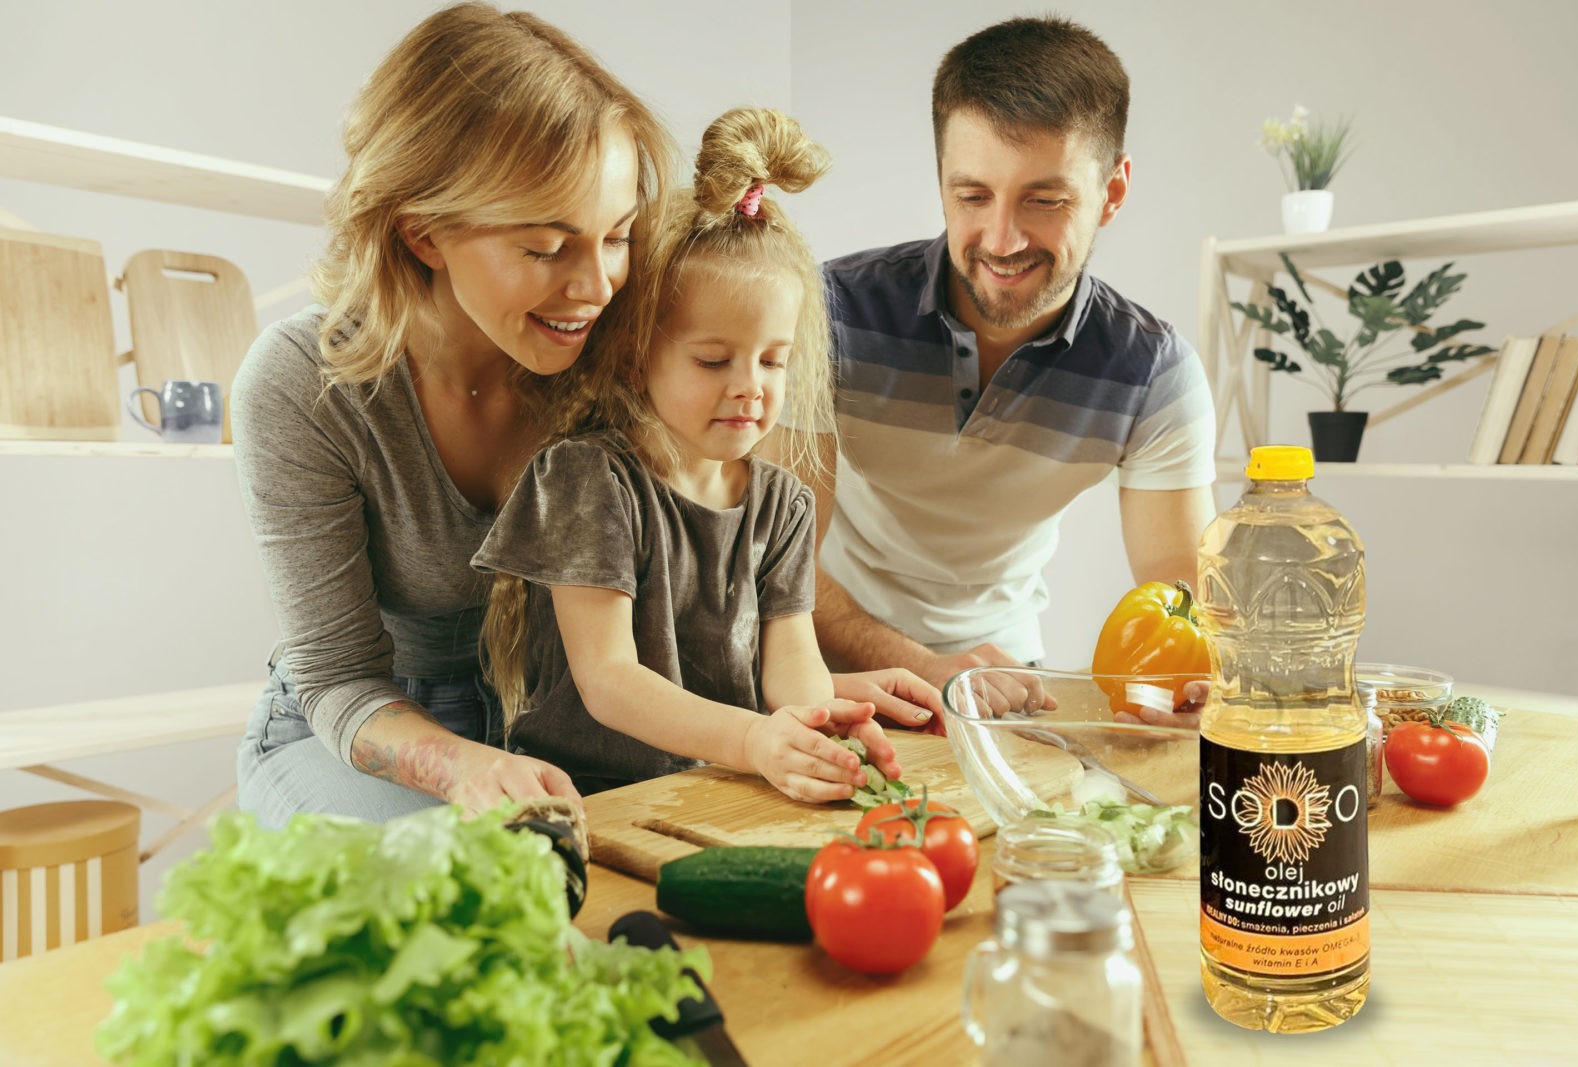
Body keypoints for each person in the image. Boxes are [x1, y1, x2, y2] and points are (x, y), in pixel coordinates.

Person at [232, 4, 933, 828]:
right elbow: (336, 677)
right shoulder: (302, 385)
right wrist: (467, 764)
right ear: (422, 234)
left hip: (551, 726)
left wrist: (798, 703)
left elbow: (674, 597)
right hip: (351, 731)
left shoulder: (618, 350)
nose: (597, 285)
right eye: (545, 247)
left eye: (618, 236)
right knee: (464, 896)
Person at [779, 16, 1217, 727]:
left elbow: (1186, 596)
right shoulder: (826, 315)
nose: (1002, 240)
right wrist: (920, 665)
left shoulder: (1153, 375)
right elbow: (777, 561)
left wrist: (1190, 687)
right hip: (832, 672)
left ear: (1112, 190)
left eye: (1045, 200)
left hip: (1007, 683)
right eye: (973, 196)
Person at [474, 108, 901, 801]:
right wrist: (756, 740)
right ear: (637, 359)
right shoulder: (589, 481)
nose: (750, 388)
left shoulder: (781, 501)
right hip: (590, 795)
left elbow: (791, 653)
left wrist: (809, 724)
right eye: (713, 360)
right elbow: (609, 679)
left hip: (720, 782)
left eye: (773, 361)